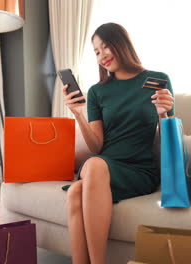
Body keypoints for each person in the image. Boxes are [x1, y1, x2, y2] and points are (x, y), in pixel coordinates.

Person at [61, 22, 175, 264]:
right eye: (96, 51)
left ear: (121, 44)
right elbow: (96, 146)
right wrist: (79, 114)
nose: (101, 55)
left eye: (105, 47)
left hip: (138, 169)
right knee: (75, 192)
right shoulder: (97, 92)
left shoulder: (157, 80)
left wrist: (164, 114)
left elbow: (171, 144)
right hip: (105, 165)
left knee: (92, 168)